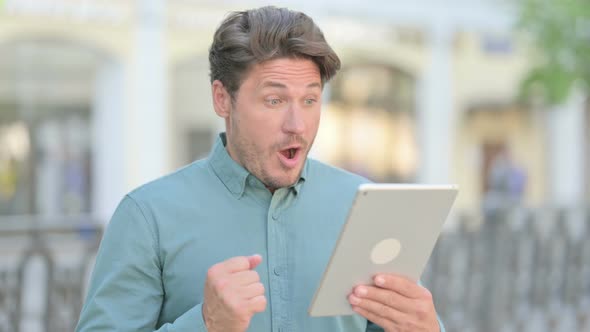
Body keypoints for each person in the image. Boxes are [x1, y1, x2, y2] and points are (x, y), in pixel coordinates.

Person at [76, 6, 445, 332]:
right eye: (274, 99)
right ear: (223, 99)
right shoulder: (146, 216)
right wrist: (206, 324)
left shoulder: (365, 206)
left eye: (310, 100)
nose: (297, 124)